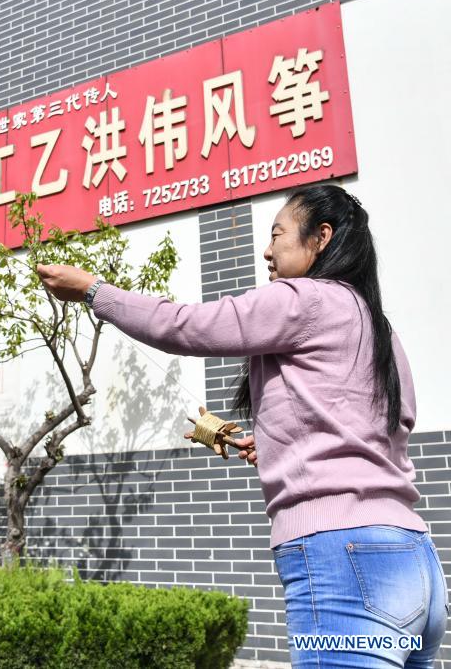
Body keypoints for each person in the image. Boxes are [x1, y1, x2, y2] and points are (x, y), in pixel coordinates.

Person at [37, 184, 447, 667]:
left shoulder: (304, 299)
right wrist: (278, 444)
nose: (267, 250)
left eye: (278, 234)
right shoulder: (379, 325)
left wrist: (92, 290)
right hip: (416, 562)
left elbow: (185, 325)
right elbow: (386, 427)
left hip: (344, 558)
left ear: (321, 237)